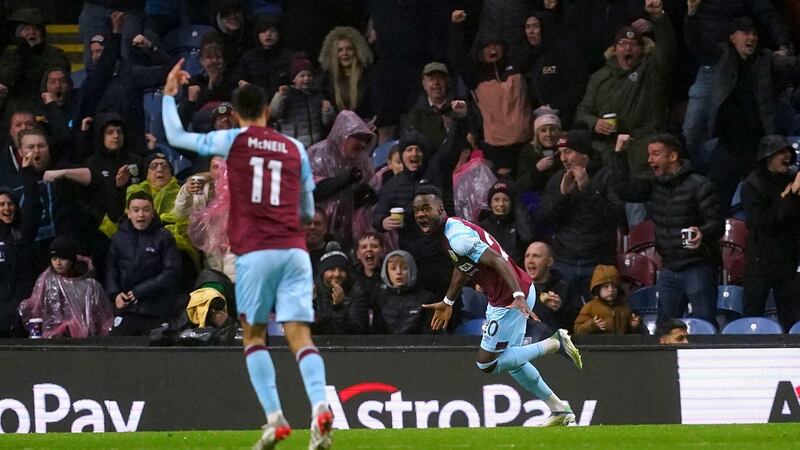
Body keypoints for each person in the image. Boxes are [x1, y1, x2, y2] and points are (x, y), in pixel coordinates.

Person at [162, 59, 333, 450]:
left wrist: (170, 94)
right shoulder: (294, 147)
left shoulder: (233, 141)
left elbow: (177, 135)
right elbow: (308, 212)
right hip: (294, 251)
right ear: (268, 112)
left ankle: (275, 419)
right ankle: (320, 406)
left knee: (254, 335)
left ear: (237, 114)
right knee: (300, 336)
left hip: (255, 252)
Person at [414, 185, 583, 426]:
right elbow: (463, 266)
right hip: (512, 293)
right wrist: (448, 301)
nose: (420, 214)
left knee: (487, 362)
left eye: (425, 209)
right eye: (416, 210)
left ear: (440, 209)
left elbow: (497, 260)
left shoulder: (457, 238)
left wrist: (517, 294)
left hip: (510, 297)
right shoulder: (451, 230)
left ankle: (555, 343)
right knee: (513, 362)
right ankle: (559, 409)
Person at [685, 12, 800, 212]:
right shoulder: (721, 57)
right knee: (714, 204)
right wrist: (692, 16)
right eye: (745, 33)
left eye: (754, 33)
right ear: (732, 37)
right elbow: (697, 42)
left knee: (763, 205)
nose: (751, 38)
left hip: (759, 149)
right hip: (728, 147)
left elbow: (793, 66)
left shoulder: (767, 59)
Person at [613, 133, 723, 326]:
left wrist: (702, 232)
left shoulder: (700, 185)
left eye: (655, 154)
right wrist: (619, 153)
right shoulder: (655, 185)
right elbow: (624, 190)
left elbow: (717, 222)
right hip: (669, 267)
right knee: (665, 328)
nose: (649, 160)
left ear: (672, 157)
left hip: (698, 266)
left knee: (704, 326)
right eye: (649, 154)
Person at [575, 0, 676, 172]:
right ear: (614, 49)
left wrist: (658, 17)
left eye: (634, 44)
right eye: (622, 44)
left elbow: (667, 48)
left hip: (645, 154)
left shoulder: (651, 70)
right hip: (609, 154)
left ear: (642, 49)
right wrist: (595, 123)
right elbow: (582, 112)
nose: (627, 48)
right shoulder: (599, 77)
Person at [534, 129, 626, 302]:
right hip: (564, 262)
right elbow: (543, 218)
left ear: (584, 153)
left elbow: (618, 217)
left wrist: (588, 190)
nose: (562, 158)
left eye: (568, 152)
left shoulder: (607, 175)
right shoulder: (557, 179)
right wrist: (563, 196)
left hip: (598, 263)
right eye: (560, 153)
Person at [450, 9, 533, 177]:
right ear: (480, 53)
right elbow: (458, 58)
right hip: (497, 147)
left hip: (527, 141)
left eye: (496, 45)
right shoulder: (475, 77)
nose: (492, 49)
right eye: (487, 46)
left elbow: (533, 45)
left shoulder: (517, 66)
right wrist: (456, 28)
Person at [741, 135, 800, 330]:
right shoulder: (752, 185)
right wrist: (788, 196)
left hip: (788, 260)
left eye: (788, 152)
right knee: (752, 316)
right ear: (767, 157)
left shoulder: (792, 179)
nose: (787, 157)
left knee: (792, 317)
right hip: (760, 262)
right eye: (781, 152)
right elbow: (763, 224)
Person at [106, 191, 182, 336]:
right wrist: (115, 294)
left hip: (157, 309)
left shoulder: (164, 237)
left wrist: (140, 292)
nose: (141, 215)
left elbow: (172, 272)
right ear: (128, 213)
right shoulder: (118, 238)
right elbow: (111, 268)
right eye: (136, 210)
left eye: (146, 210)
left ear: (153, 213)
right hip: (127, 309)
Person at [18, 236, 113, 338]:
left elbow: (101, 318)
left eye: (62, 258)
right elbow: (37, 306)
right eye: (54, 259)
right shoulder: (47, 279)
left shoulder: (90, 285)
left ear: (71, 259)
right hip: (51, 337)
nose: (58, 263)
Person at [0, 7, 70, 119]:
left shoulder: (55, 53)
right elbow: (6, 79)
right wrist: (22, 56)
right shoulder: (10, 54)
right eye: (26, 29)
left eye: (36, 29)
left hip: (45, 108)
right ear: (18, 33)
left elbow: (55, 75)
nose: (32, 32)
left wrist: (32, 54)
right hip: (15, 111)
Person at [270, 53, 336, 148]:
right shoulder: (287, 95)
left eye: (309, 75)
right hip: (293, 145)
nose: (306, 78)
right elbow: (274, 113)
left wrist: (327, 111)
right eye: (302, 75)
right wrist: (279, 97)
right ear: (294, 79)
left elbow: (326, 122)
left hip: (315, 144)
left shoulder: (318, 95)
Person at [312, 241, 372, 335]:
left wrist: (338, 308)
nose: (337, 274)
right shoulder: (314, 293)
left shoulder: (357, 293)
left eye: (341, 270)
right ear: (323, 273)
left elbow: (355, 334)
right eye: (331, 269)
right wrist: (310, 304)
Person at [318, 26, 375, 124]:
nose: (345, 53)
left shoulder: (369, 76)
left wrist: (376, 120)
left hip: (366, 131)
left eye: (349, 49)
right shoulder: (326, 79)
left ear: (357, 50)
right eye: (340, 50)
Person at [523, 241, 580, 335]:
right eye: (527, 256)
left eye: (536, 256)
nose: (530, 260)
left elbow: (577, 323)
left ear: (549, 262)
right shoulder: (518, 288)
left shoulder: (565, 285)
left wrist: (560, 309)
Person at [375, 250, 438, 335]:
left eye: (404, 268)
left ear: (412, 270)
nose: (398, 272)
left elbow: (431, 334)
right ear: (386, 272)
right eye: (393, 268)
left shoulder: (426, 299)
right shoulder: (378, 298)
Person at [574, 265, 640, 335]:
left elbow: (632, 333)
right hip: (598, 344)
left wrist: (634, 326)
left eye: (614, 287)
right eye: (606, 287)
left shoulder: (625, 308)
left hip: (621, 345)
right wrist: (592, 325)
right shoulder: (590, 307)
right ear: (597, 289)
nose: (611, 290)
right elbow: (577, 330)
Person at [478, 182, 531, 265]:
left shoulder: (519, 224)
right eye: (496, 200)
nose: (501, 204)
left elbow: (528, 237)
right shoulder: (482, 227)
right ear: (490, 203)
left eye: (506, 200)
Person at [516, 106, 562, 194]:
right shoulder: (528, 151)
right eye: (543, 130)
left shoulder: (565, 149)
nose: (548, 134)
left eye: (552, 129)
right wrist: (537, 169)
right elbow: (520, 185)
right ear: (537, 134)